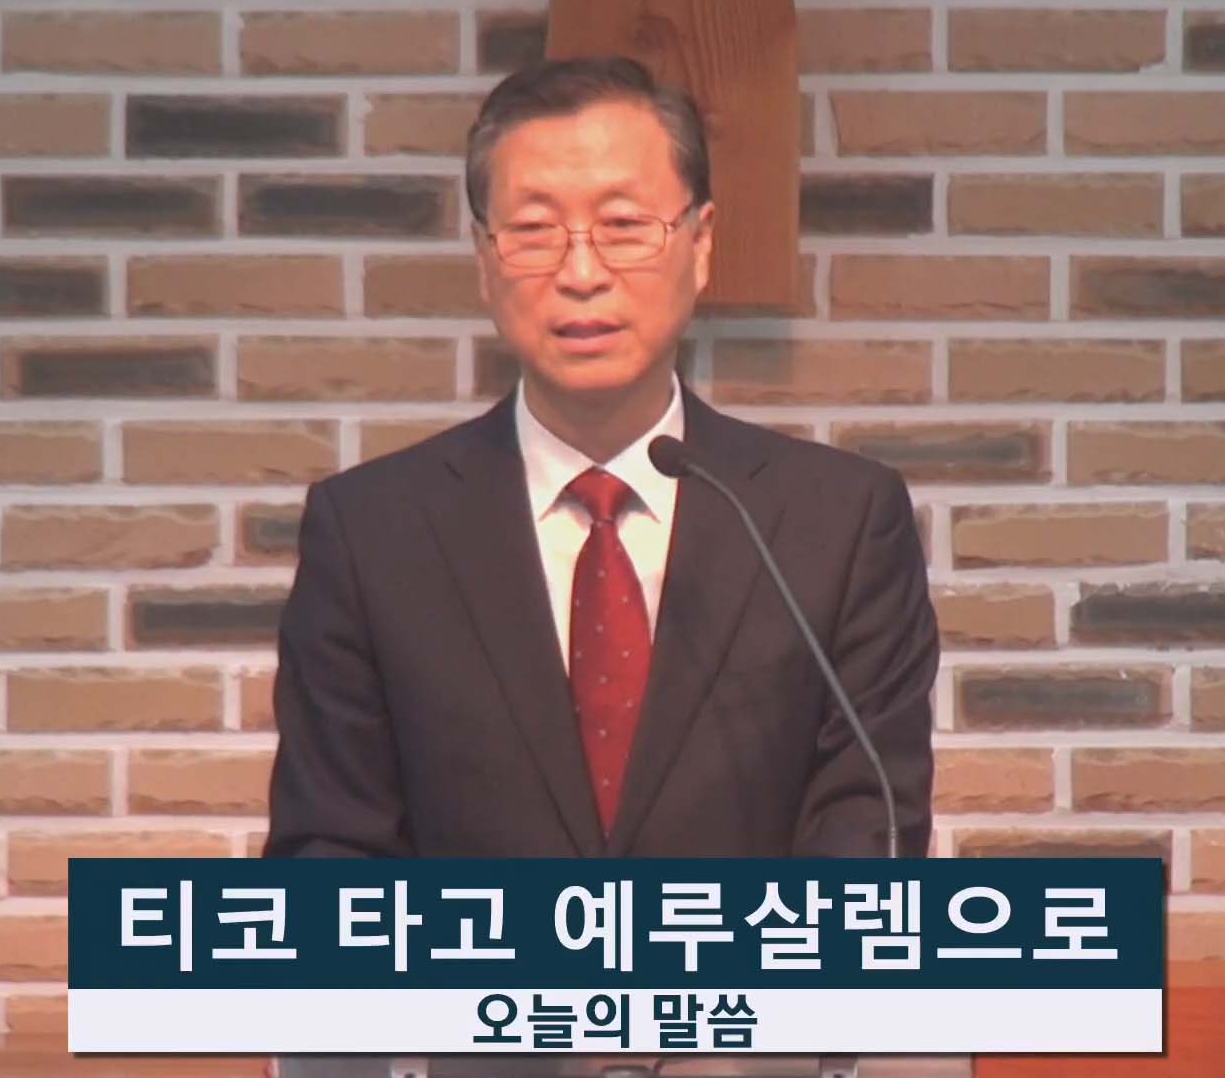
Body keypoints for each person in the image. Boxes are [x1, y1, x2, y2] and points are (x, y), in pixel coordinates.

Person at [263, 56, 937, 859]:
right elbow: (330, 854)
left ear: (700, 244)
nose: (581, 274)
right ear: (483, 258)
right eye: (534, 232)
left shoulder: (840, 525)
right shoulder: (373, 533)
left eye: (623, 226)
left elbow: (867, 842)